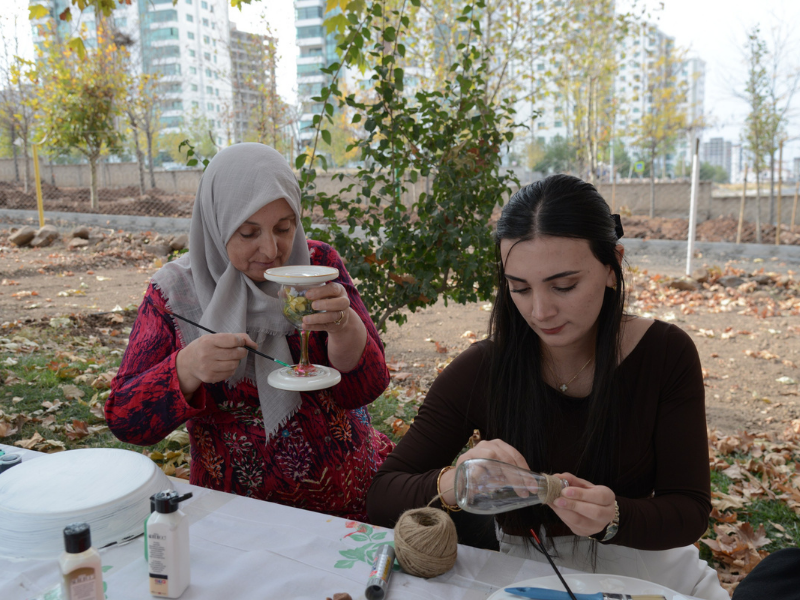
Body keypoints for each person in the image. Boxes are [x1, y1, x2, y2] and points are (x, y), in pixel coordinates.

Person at [367, 174, 728, 599]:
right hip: (524, 572)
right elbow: (382, 495)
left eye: (564, 285)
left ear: (612, 266)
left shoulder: (665, 354)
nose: (540, 311)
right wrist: (457, 482)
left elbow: (689, 510)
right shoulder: (485, 367)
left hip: (644, 565)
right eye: (519, 288)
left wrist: (614, 516)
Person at [106, 143, 393, 521]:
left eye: (284, 228)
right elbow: (126, 419)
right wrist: (186, 368)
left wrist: (345, 329)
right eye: (247, 232)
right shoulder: (175, 295)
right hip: (236, 514)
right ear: (216, 223)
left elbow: (367, 389)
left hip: (348, 503)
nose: (271, 249)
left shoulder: (318, 266)